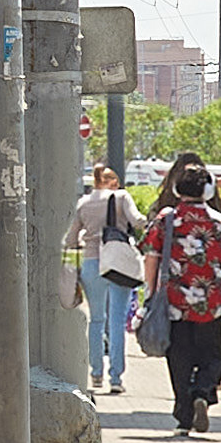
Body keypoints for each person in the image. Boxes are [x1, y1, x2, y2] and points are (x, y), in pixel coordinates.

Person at [142, 153, 221, 439]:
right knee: (213, 355)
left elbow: (151, 257)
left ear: (176, 189)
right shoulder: (220, 223)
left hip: (175, 301)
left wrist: (151, 291)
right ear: (208, 190)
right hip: (212, 301)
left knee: (179, 357)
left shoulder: (166, 219)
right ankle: (203, 391)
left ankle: (184, 414)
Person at [66, 163, 141, 394]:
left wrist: (87, 240)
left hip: (91, 264)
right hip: (117, 263)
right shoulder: (121, 198)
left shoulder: (84, 203)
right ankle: (116, 378)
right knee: (117, 322)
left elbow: (70, 239)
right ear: (111, 181)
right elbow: (138, 220)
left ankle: (96, 373)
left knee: (96, 320)